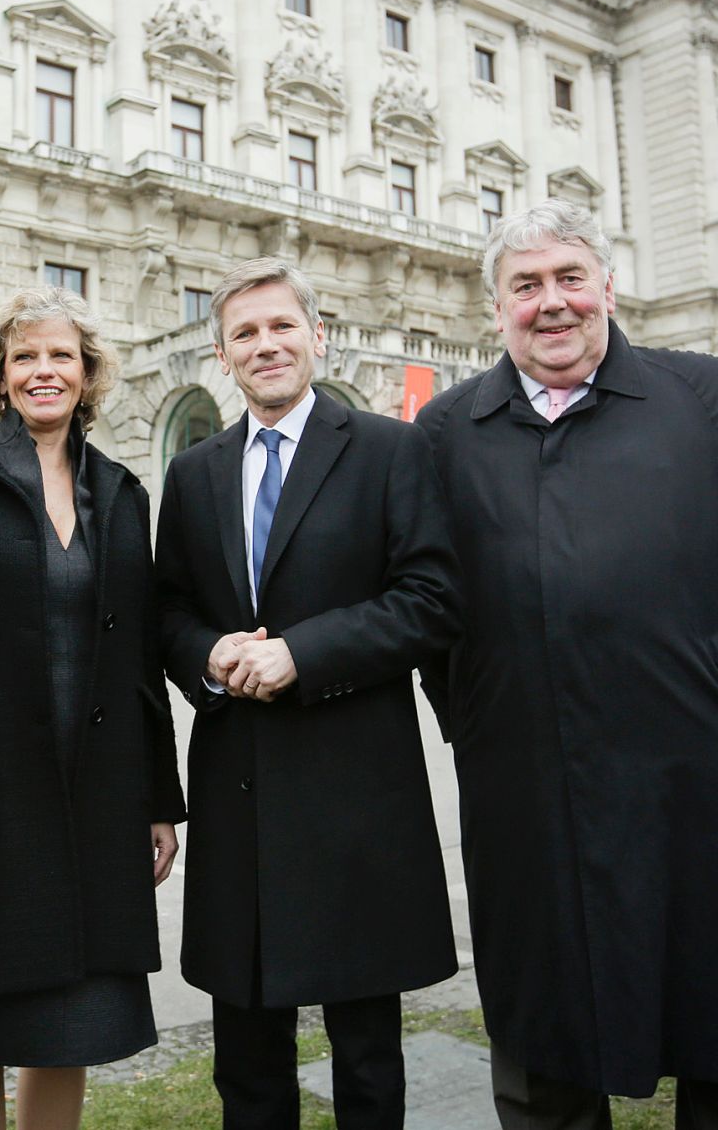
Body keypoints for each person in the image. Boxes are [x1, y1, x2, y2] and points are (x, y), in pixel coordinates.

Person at [416, 201, 718, 1130]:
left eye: (570, 278)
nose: (551, 303)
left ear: (608, 285)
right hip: (526, 786)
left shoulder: (711, 395)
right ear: (496, 310)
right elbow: (429, 607)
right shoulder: (448, 431)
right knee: (542, 1037)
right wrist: (482, 717)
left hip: (698, 775)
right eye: (525, 286)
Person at [154, 257, 463, 1130]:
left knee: (367, 1059)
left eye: (282, 326)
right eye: (245, 334)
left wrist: (305, 653)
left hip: (355, 794)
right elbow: (167, 611)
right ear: (223, 354)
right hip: (239, 797)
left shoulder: (391, 450)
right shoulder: (196, 472)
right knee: (247, 1064)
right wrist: (210, 654)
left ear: (317, 337)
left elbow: (433, 600)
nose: (266, 345)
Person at [0, 286, 186, 1130]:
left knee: (71, 1027)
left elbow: (139, 658)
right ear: (0, 375)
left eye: (62, 356)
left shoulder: (125, 493)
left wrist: (158, 800)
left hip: (97, 799)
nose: (43, 371)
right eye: (25, 357)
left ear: (87, 375)